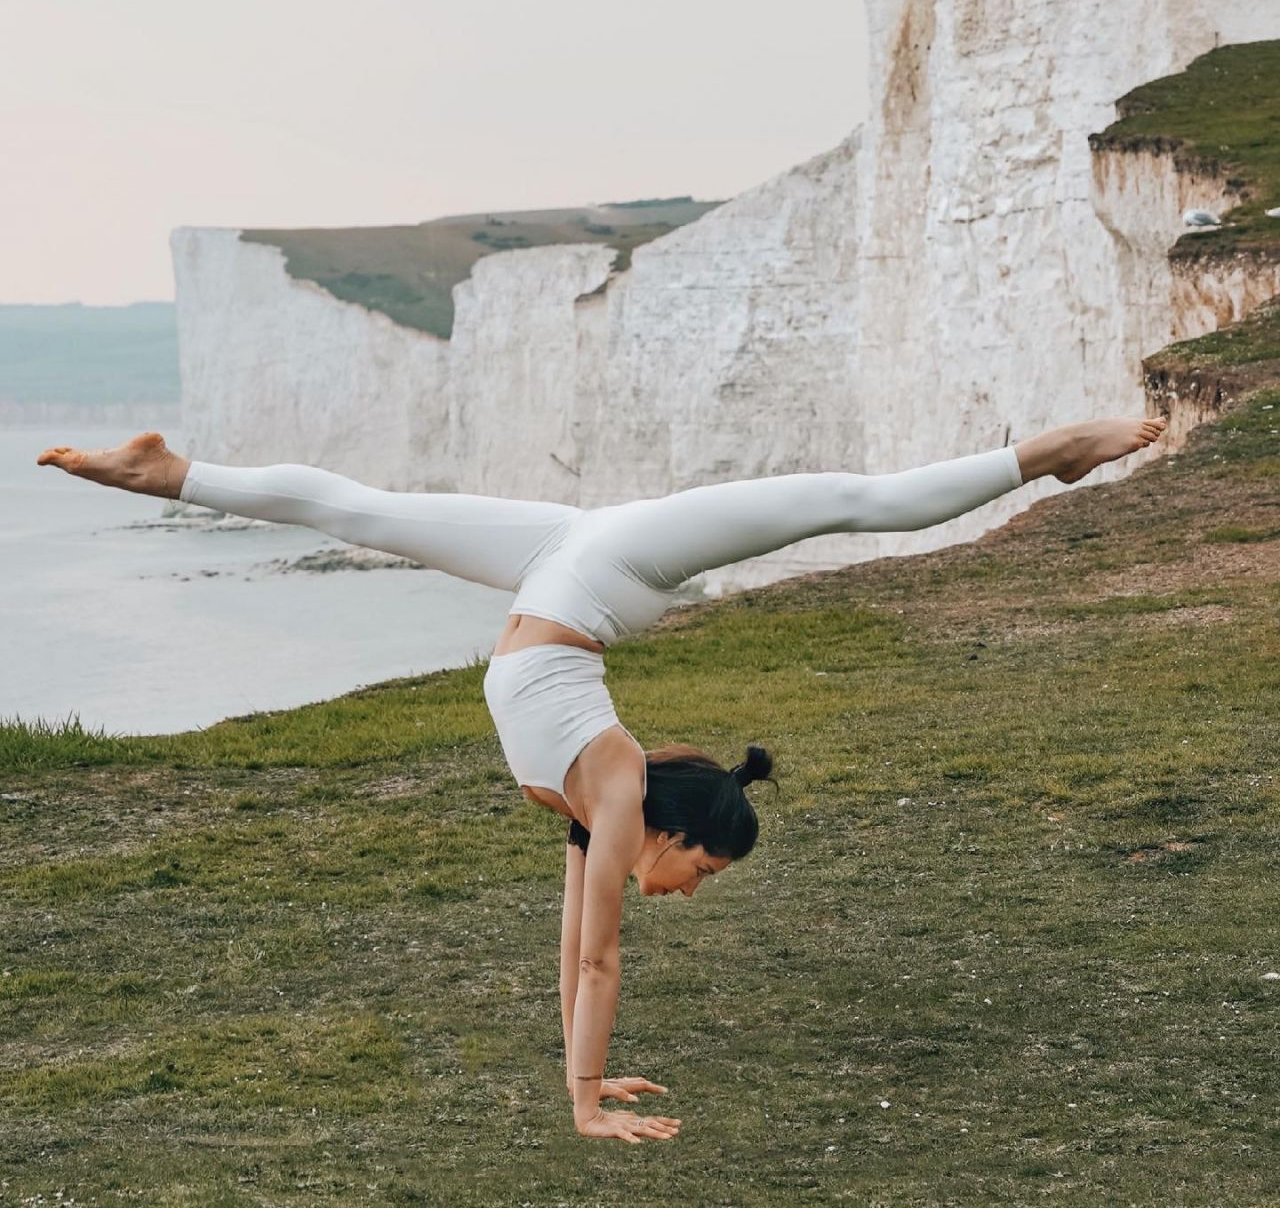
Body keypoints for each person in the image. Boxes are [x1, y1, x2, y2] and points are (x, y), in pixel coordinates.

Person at [37, 413, 1166, 1143]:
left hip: (562, 560)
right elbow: (599, 954)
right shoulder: (615, 789)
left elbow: (572, 948)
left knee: (362, 510)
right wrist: (584, 1101)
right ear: (669, 834)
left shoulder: (595, 809)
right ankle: (1046, 454)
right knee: (854, 501)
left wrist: (585, 1083)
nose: (691, 888)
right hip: (609, 570)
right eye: (706, 870)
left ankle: (171, 472)